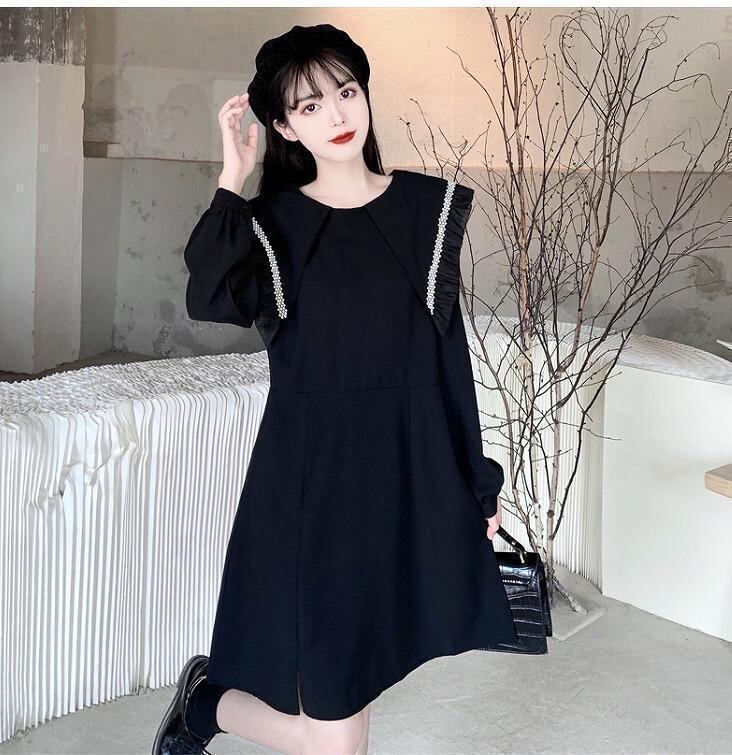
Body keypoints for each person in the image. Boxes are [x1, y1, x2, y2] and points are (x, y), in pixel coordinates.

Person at [152, 23, 519, 755]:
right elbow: (208, 296)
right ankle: (207, 704)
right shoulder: (272, 226)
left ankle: (206, 704)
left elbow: (449, 364)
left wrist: (477, 486)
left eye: (346, 92)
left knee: (351, 696)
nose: (338, 114)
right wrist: (232, 176)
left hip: (401, 480)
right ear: (285, 126)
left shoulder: (428, 210)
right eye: (310, 105)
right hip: (309, 489)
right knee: (335, 737)